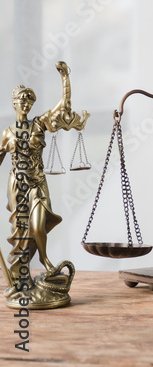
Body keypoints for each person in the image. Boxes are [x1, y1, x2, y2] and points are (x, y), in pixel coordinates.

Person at [0, 62, 88, 303]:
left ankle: (46, 262)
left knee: (38, 227)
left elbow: (63, 106)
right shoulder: (7, 133)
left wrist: (65, 79)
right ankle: (21, 281)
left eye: (30, 100)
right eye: (22, 99)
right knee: (21, 233)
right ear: (14, 103)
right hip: (16, 186)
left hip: (37, 184)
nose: (26, 103)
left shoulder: (38, 124)